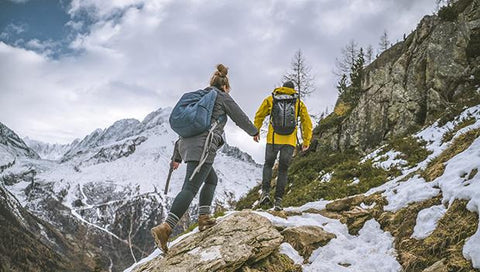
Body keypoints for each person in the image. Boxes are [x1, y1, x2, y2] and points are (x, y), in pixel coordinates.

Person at [151, 64, 259, 253]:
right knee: (190, 187)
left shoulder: (197, 97)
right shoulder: (222, 96)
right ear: (226, 86)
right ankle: (166, 228)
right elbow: (239, 116)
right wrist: (254, 131)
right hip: (203, 147)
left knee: (211, 179)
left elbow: (187, 130)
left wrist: (177, 157)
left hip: (186, 146)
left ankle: (204, 218)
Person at [253, 81, 312, 211]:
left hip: (273, 139)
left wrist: (256, 130)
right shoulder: (298, 102)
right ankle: (278, 200)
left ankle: (265, 193)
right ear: (292, 90)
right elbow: (306, 122)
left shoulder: (272, 99)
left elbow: (259, 115)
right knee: (283, 170)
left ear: (282, 88)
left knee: (268, 165)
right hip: (289, 141)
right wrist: (306, 140)